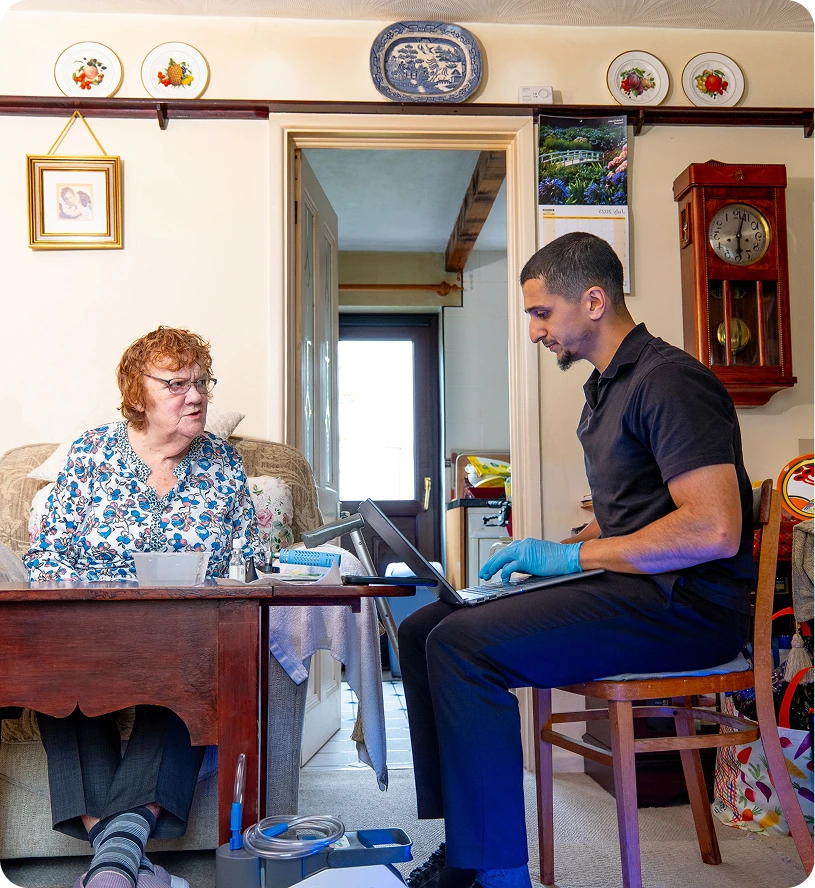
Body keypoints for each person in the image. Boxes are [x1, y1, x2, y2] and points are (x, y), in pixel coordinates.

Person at [399, 232, 755, 888]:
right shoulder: (605, 390)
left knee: (461, 648)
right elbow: (634, 510)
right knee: (424, 628)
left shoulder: (668, 381)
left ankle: (495, 876)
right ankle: (469, 845)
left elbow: (713, 528)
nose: (534, 331)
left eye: (540, 313)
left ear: (593, 300)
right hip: (637, 590)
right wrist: (553, 554)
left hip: (689, 608)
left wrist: (572, 557)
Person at [23, 326, 261, 888]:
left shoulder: (223, 465)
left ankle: (112, 860)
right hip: (90, 630)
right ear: (138, 393)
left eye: (202, 382)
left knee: (194, 676)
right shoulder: (91, 452)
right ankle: (130, 852)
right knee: (57, 681)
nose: (196, 396)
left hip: (185, 634)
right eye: (177, 384)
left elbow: (248, 564)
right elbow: (48, 555)